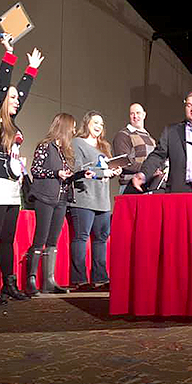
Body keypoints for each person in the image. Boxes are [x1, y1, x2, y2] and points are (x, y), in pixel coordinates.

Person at [0, 33, 44, 305]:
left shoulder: (11, 122)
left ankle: (9, 284)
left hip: (11, 185)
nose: (17, 100)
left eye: (17, 97)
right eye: (12, 97)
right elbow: (1, 88)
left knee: (8, 238)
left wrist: (31, 71)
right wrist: (9, 56)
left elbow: (19, 95)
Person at [25, 113, 94, 296]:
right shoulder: (45, 146)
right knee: (40, 238)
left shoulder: (66, 150)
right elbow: (36, 170)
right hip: (45, 197)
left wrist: (80, 174)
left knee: (52, 240)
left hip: (61, 200)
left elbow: (67, 174)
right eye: (71, 126)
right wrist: (56, 173)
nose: (73, 130)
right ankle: (31, 279)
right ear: (63, 127)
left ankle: (49, 281)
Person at [68, 111, 122, 291]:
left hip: (102, 199)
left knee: (101, 238)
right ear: (87, 124)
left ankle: (100, 278)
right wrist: (102, 173)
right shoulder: (78, 143)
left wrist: (114, 171)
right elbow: (78, 169)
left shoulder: (104, 146)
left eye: (101, 123)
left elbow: (105, 169)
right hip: (84, 198)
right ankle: (79, 279)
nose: (99, 126)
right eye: (95, 122)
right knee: (81, 237)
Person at [112, 103, 162, 194]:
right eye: (132, 114)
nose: (135, 116)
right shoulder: (123, 135)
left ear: (144, 115)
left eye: (138, 113)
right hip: (130, 186)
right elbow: (124, 162)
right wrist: (148, 170)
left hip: (149, 187)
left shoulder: (151, 139)